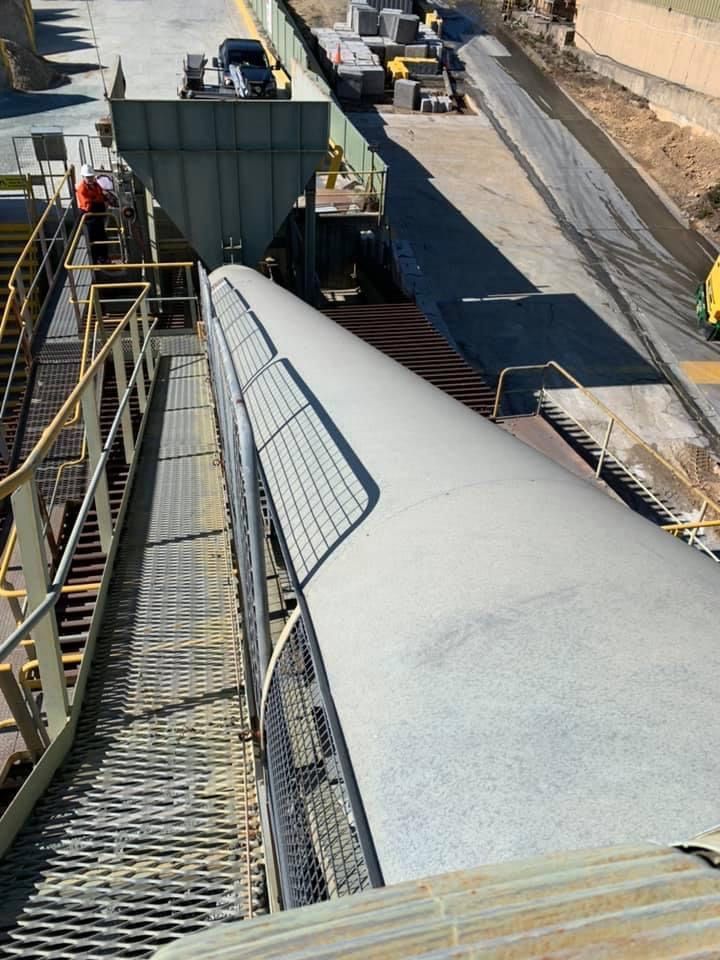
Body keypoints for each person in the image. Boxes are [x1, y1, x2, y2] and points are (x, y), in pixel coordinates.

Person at [76, 164, 110, 263]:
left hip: (97, 215)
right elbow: (87, 205)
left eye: (91, 176)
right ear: (83, 177)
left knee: (102, 236)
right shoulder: (81, 188)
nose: (90, 179)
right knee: (93, 238)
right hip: (89, 216)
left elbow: (100, 195)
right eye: (88, 177)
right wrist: (100, 201)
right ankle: (95, 259)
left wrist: (105, 197)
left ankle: (103, 257)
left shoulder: (95, 185)